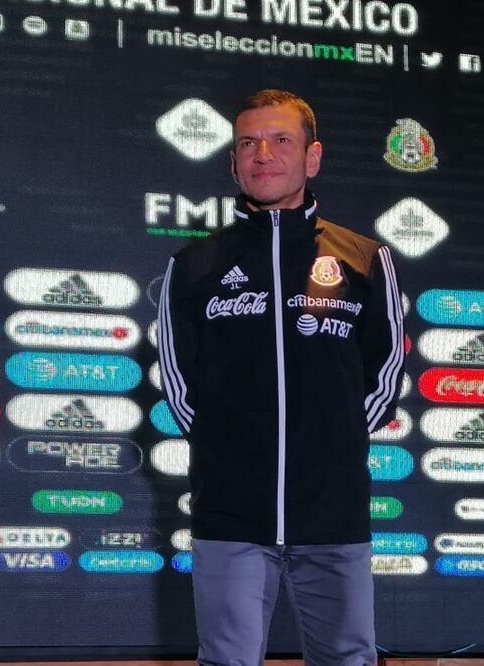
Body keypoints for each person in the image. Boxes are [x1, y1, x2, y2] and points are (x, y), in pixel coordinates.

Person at [157, 89, 406, 666]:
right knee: (228, 662)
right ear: (234, 161)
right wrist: (230, 450)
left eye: (280, 140)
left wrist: (333, 444)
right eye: (248, 142)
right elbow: (178, 378)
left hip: (334, 510)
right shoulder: (194, 264)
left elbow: (386, 369)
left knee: (346, 657)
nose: (262, 153)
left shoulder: (365, 258)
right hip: (230, 513)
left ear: (312, 158)